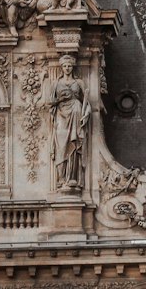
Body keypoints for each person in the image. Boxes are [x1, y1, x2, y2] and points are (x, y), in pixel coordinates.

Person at [49, 54, 91, 190]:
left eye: (69, 66)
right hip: (61, 115)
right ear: (61, 67)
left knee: (73, 144)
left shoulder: (79, 83)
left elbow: (88, 102)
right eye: (65, 66)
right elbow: (50, 103)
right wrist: (60, 100)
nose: (67, 68)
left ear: (72, 67)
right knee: (61, 146)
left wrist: (86, 114)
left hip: (76, 111)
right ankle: (61, 178)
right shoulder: (56, 84)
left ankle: (72, 177)